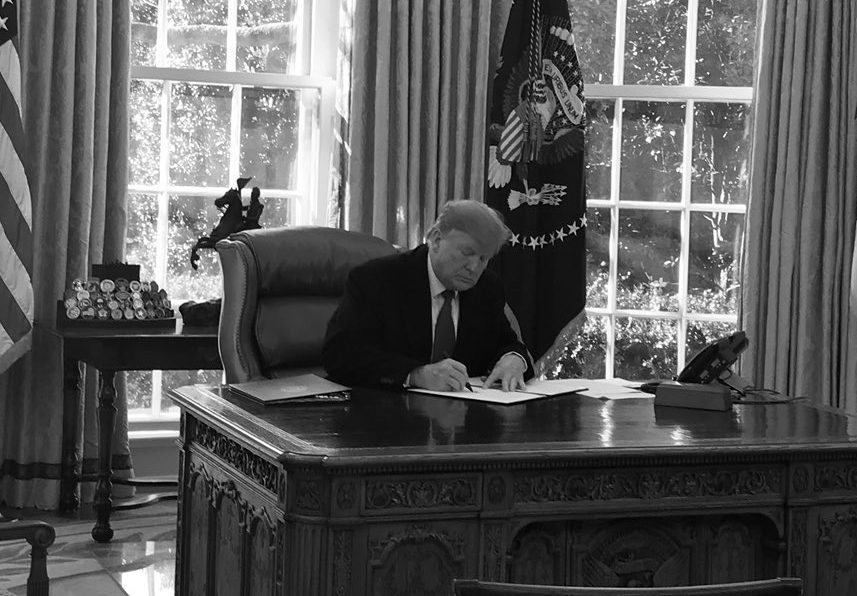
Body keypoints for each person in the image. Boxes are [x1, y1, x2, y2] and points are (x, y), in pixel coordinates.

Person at [323, 200, 534, 392]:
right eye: (467, 253)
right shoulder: (376, 280)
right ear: (436, 239)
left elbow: (508, 343)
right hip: (387, 413)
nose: (473, 268)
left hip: (463, 414)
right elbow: (340, 355)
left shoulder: (486, 287)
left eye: (483, 258)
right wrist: (416, 375)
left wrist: (514, 359)